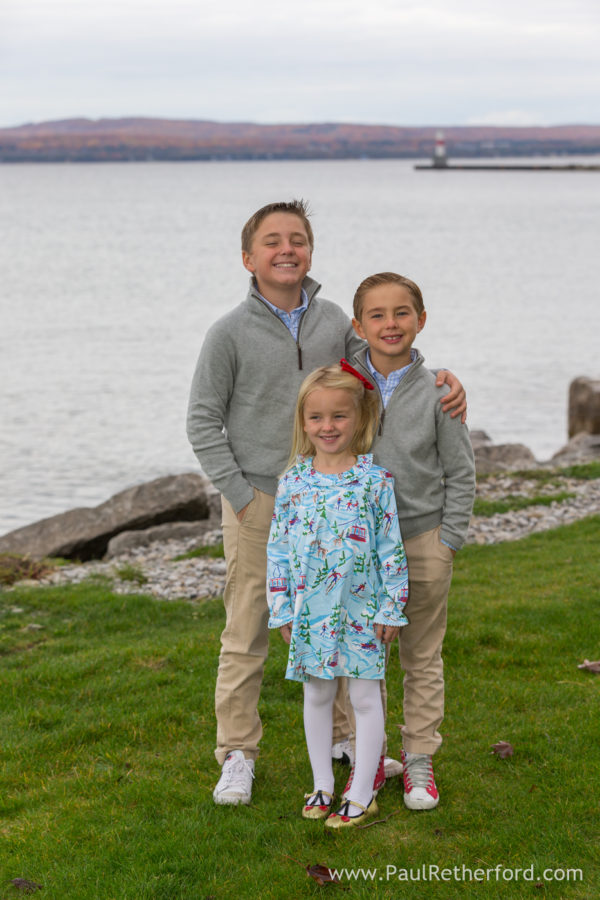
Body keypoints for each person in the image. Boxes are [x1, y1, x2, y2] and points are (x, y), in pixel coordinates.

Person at [186, 200, 466, 806]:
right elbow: (203, 422)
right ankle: (237, 754)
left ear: (310, 251)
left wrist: (443, 378)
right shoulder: (227, 333)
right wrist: (239, 495)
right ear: (248, 257)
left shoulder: (336, 320)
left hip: (343, 500)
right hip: (262, 501)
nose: (286, 249)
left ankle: (346, 739)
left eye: (297, 239)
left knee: (344, 614)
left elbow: (380, 363)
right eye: (271, 241)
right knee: (249, 632)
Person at [346, 271, 476, 811]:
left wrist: (449, 540)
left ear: (421, 320)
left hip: (422, 539)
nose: (390, 324)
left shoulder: (439, 392)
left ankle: (419, 758)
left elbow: (461, 472)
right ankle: (369, 758)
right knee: (364, 657)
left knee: (421, 656)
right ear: (358, 326)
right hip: (357, 547)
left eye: (402, 313)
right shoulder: (345, 384)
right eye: (376, 315)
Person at [267, 362, 409, 828]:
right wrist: (282, 609)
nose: (327, 427)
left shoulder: (375, 481)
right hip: (312, 612)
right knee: (318, 695)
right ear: (303, 423)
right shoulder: (293, 482)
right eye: (316, 418)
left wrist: (392, 606)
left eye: (339, 416)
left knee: (366, 698)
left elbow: (390, 548)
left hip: (363, 611)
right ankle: (323, 784)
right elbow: (279, 552)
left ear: (359, 419)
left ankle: (363, 790)